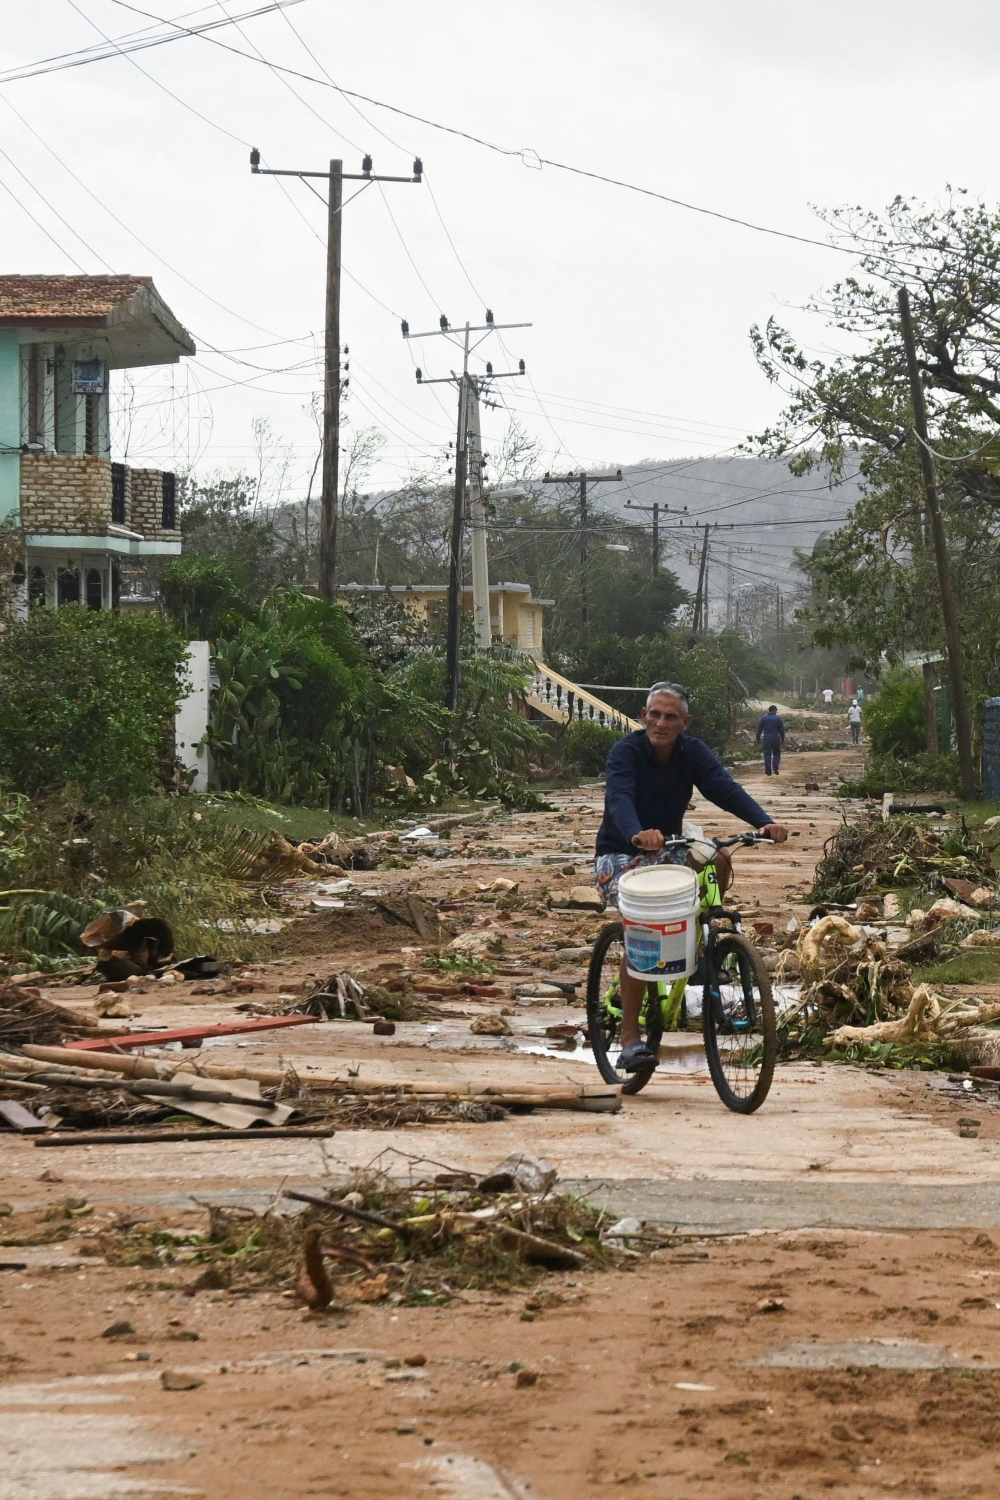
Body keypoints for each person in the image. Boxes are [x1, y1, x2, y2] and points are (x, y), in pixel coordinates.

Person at [593, 682, 788, 1072]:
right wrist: (637, 832)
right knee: (643, 935)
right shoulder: (625, 753)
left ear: (685, 722)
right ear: (644, 715)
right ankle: (630, 1038)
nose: (660, 723)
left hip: (668, 848)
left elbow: (724, 789)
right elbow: (619, 799)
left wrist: (764, 823)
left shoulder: (691, 752)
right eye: (654, 714)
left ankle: (701, 945)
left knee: (717, 858)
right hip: (619, 854)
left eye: (670, 717)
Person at [755, 703, 785, 777]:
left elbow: (759, 730)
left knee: (767, 754)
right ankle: (775, 767)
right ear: (775, 710)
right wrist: (782, 739)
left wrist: (757, 739)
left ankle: (768, 771)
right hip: (775, 738)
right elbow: (781, 730)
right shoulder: (778, 718)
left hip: (767, 738)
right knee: (777, 753)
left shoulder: (763, 718)